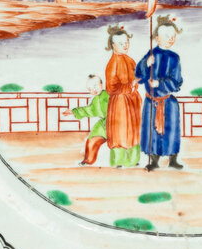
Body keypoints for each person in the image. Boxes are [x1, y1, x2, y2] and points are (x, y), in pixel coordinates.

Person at [135, 15, 183, 171]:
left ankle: (173, 159)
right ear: (157, 38)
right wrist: (145, 64)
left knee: (171, 131)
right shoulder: (151, 54)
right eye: (167, 36)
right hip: (151, 101)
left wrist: (160, 84)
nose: (171, 39)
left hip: (168, 102)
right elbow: (139, 75)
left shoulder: (175, 58)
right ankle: (154, 161)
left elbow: (177, 82)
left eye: (173, 36)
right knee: (151, 133)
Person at [104, 25, 142, 168]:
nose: (125, 45)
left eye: (126, 42)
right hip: (120, 103)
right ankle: (118, 162)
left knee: (134, 131)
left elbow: (137, 76)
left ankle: (133, 161)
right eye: (121, 43)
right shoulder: (113, 63)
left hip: (132, 101)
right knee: (120, 132)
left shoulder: (130, 60)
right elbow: (111, 88)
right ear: (113, 45)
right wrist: (131, 85)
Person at [68, 75, 108, 166]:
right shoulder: (96, 99)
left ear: (101, 84)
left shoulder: (110, 94)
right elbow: (90, 110)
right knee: (91, 140)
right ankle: (87, 160)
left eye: (95, 86)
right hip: (104, 124)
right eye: (90, 89)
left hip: (117, 122)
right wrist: (73, 111)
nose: (93, 90)